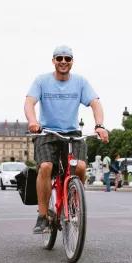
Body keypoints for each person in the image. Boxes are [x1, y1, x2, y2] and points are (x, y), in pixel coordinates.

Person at [24, 44, 109, 234]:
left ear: (72, 62)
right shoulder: (41, 81)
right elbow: (29, 102)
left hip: (72, 134)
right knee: (46, 166)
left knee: (79, 167)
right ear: (53, 60)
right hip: (47, 133)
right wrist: (32, 121)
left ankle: (74, 201)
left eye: (67, 59)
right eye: (59, 58)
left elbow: (95, 103)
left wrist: (99, 125)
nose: (63, 62)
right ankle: (43, 215)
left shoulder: (80, 82)